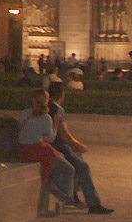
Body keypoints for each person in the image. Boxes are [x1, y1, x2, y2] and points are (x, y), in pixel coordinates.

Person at [46, 83, 113, 214]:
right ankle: (93, 203)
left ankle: (75, 193)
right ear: (62, 95)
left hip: (49, 145)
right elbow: (64, 134)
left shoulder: (45, 106)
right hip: (58, 146)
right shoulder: (58, 109)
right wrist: (78, 145)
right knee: (83, 167)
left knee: (77, 160)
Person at [16, 90, 75, 215]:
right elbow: (51, 138)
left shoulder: (25, 113)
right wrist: (56, 123)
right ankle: (56, 201)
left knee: (56, 164)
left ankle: (58, 194)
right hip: (38, 149)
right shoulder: (46, 117)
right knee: (65, 171)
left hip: (23, 149)